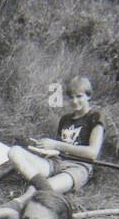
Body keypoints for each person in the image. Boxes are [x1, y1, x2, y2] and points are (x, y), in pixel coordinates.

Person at [6, 75, 105, 204]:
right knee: (14, 151)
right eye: (72, 97)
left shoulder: (95, 116)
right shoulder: (65, 119)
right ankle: (40, 187)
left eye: (79, 96)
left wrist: (56, 145)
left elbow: (92, 153)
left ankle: (19, 202)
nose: (75, 101)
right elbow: (59, 149)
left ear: (88, 96)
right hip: (55, 162)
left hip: (77, 167)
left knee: (41, 189)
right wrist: (46, 149)